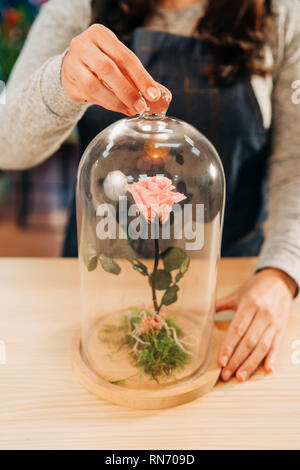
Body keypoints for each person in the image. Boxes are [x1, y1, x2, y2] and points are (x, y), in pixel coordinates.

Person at [1, 0, 300, 382]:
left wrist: (281, 272)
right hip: (100, 281)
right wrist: (63, 82)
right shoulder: (77, 7)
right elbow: (6, 146)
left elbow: (294, 166)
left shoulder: (281, 13)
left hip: (227, 283)